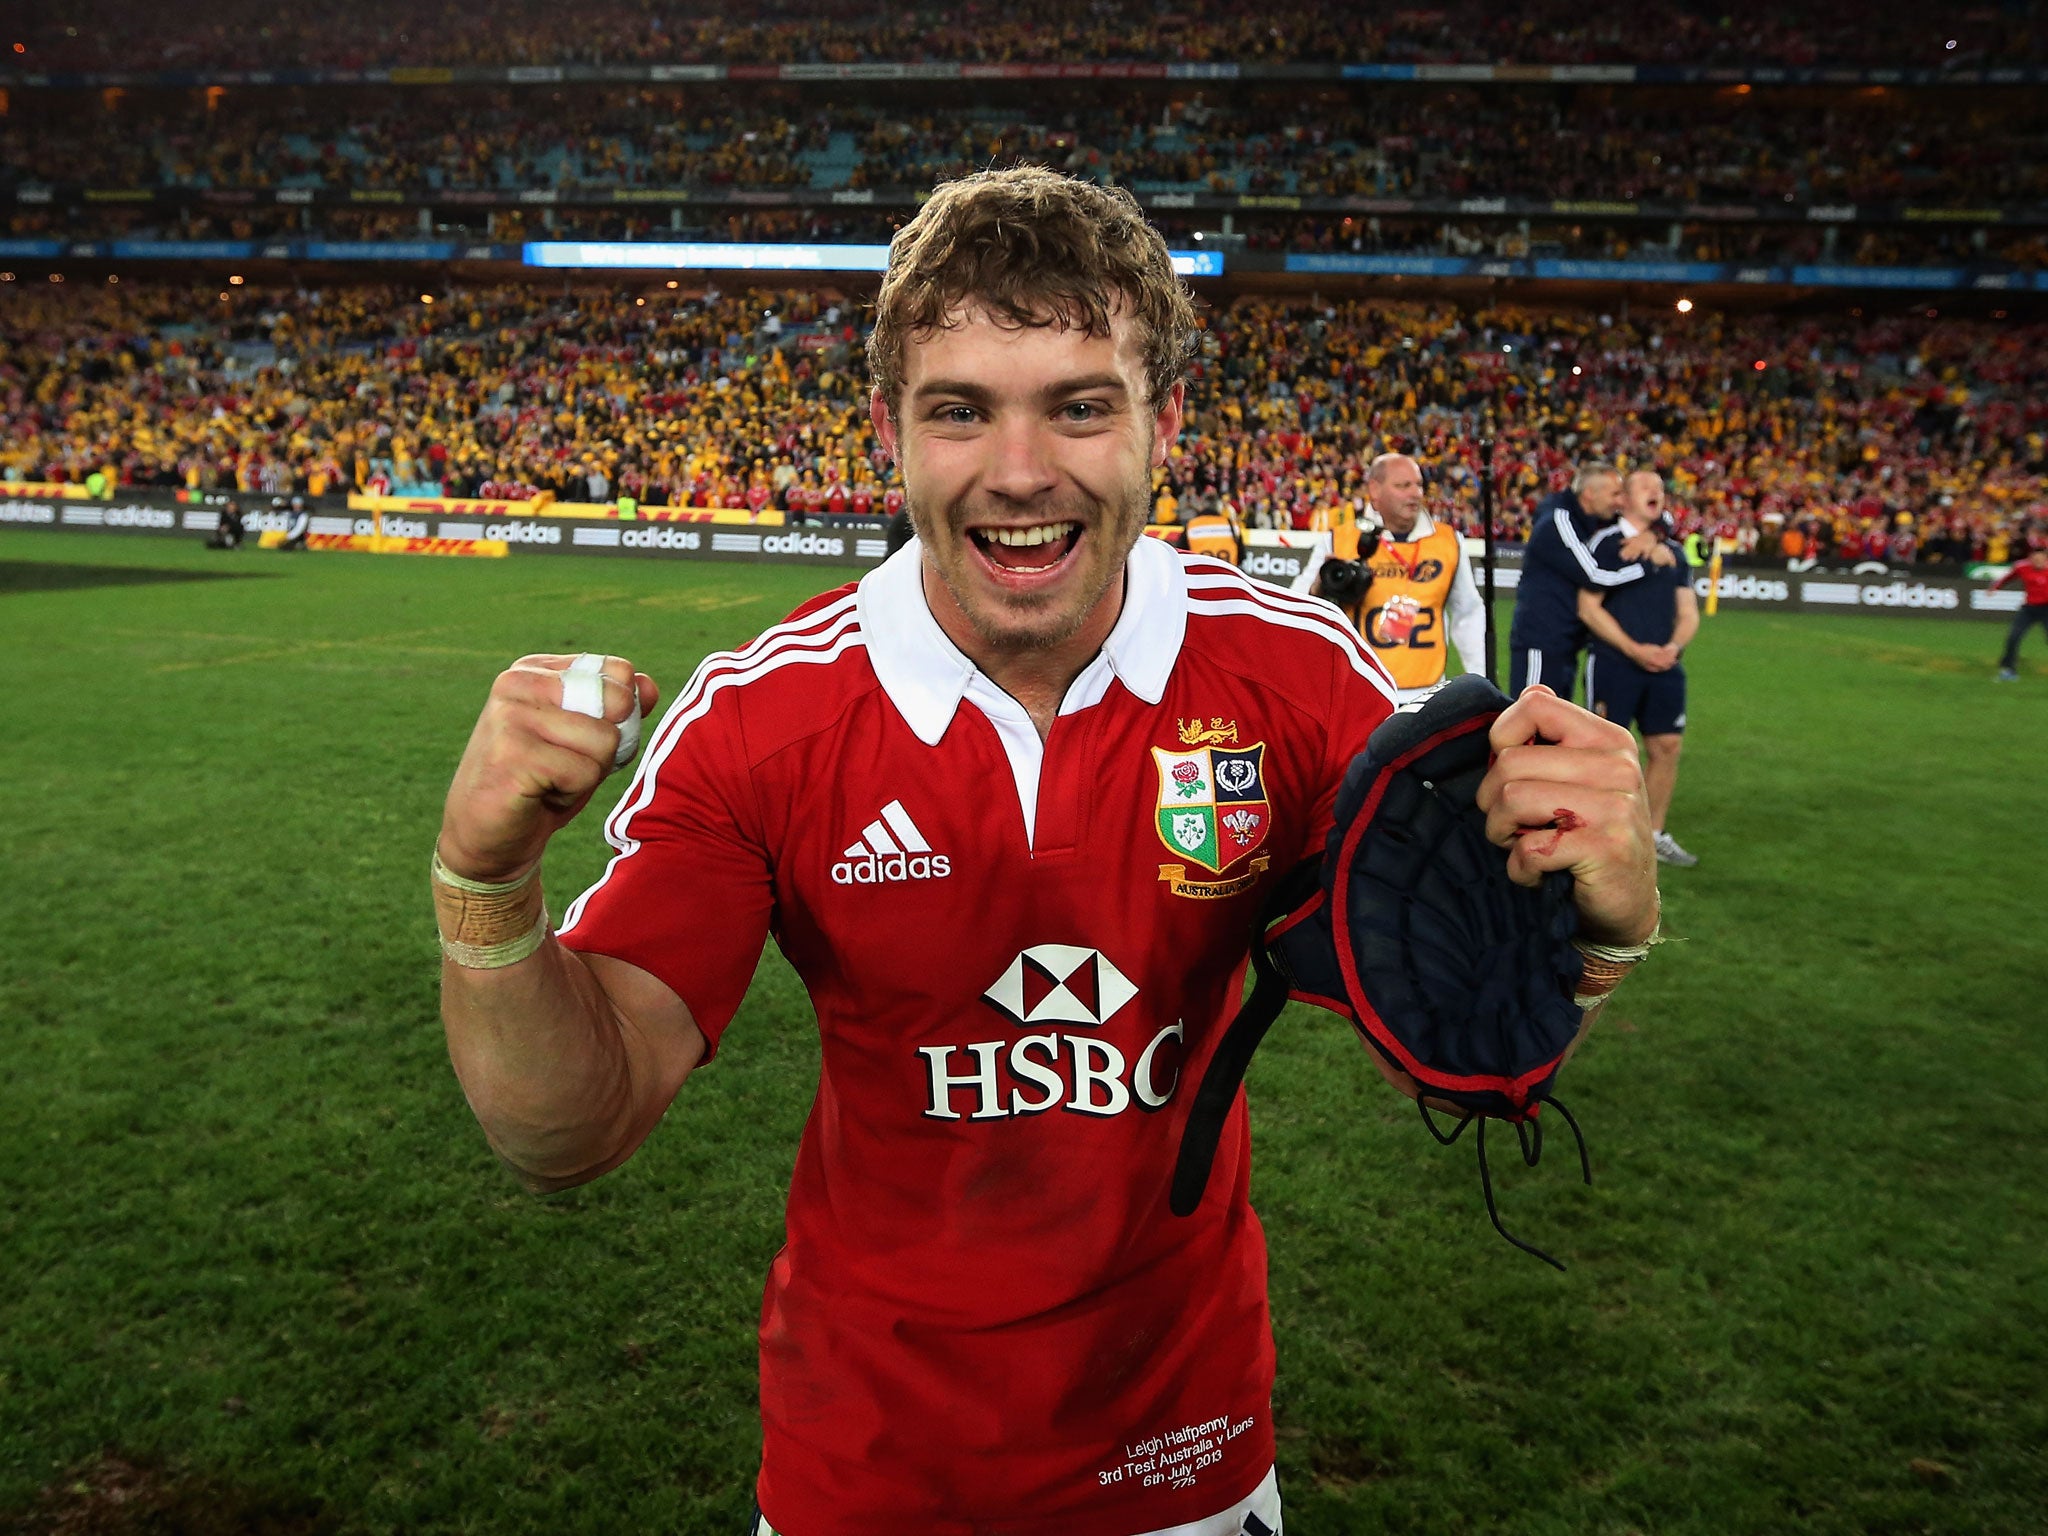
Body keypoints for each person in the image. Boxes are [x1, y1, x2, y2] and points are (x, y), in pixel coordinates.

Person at [432, 167, 1660, 1536]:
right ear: (892, 430)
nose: (1021, 473)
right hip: (870, 1469)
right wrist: (483, 889)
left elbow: (1478, 1034)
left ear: (1163, 424)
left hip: (1182, 1456)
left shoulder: (1300, 680)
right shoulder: (763, 718)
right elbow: (572, 1130)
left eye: (1081, 405)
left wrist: (1590, 930)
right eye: (960, 410)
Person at [1289, 452, 1486, 706]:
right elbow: (1295, 603)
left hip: (1428, 696)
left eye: (1419, 485)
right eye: (1403, 486)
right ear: (1375, 489)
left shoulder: (1449, 541)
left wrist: (1479, 679)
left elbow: (1467, 613)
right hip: (1359, 694)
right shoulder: (1340, 539)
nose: (1415, 493)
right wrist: (1318, 587)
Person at [1577, 472, 1701, 867]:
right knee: (1608, 752)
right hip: (1615, 662)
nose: (1657, 493)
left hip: (1665, 666)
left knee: (1667, 747)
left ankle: (1652, 835)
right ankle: (1599, 837)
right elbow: (1588, 607)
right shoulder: (1605, 544)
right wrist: (1633, 649)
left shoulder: (1675, 553)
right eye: (1646, 487)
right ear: (1625, 498)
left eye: (1661, 489)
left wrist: (1673, 647)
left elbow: (1688, 611)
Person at [1507, 461, 1670, 701]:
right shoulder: (1558, 519)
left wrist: (1652, 534)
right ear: (1590, 494)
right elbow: (1594, 575)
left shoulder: (1593, 515)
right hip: (1540, 643)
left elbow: (1661, 517)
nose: (1620, 501)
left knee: (1556, 730)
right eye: (1615, 494)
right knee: (1530, 723)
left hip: (1567, 645)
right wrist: (1648, 565)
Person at [1994, 545, 2048, 680]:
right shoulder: (2022, 567)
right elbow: (2008, 577)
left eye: (2041, 559)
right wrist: (1995, 587)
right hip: (2029, 608)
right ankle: (2009, 668)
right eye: (2035, 559)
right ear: (2031, 558)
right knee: (2013, 636)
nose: (2038, 562)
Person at [1182, 495, 1244, 565]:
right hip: (1227, 572)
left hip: (1201, 572)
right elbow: (1241, 555)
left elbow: (1182, 554)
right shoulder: (1232, 525)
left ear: (1202, 506)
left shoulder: (1192, 525)